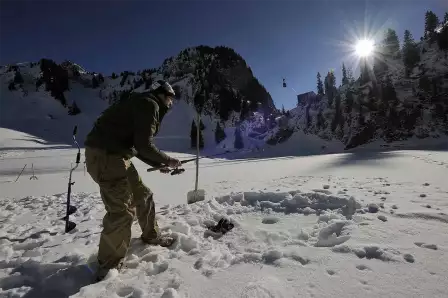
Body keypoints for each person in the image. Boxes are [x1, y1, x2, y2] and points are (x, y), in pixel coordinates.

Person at [84, 80, 182, 281]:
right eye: (170, 99)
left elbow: (136, 145)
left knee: (143, 194)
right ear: (163, 95)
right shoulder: (150, 104)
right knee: (121, 211)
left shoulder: (140, 102)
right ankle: (107, 268)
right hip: (107, 157)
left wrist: (160, 163)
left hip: (117, 156)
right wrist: (168, 160)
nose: (171, 104)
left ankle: (151, 235)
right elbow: (144, 144)